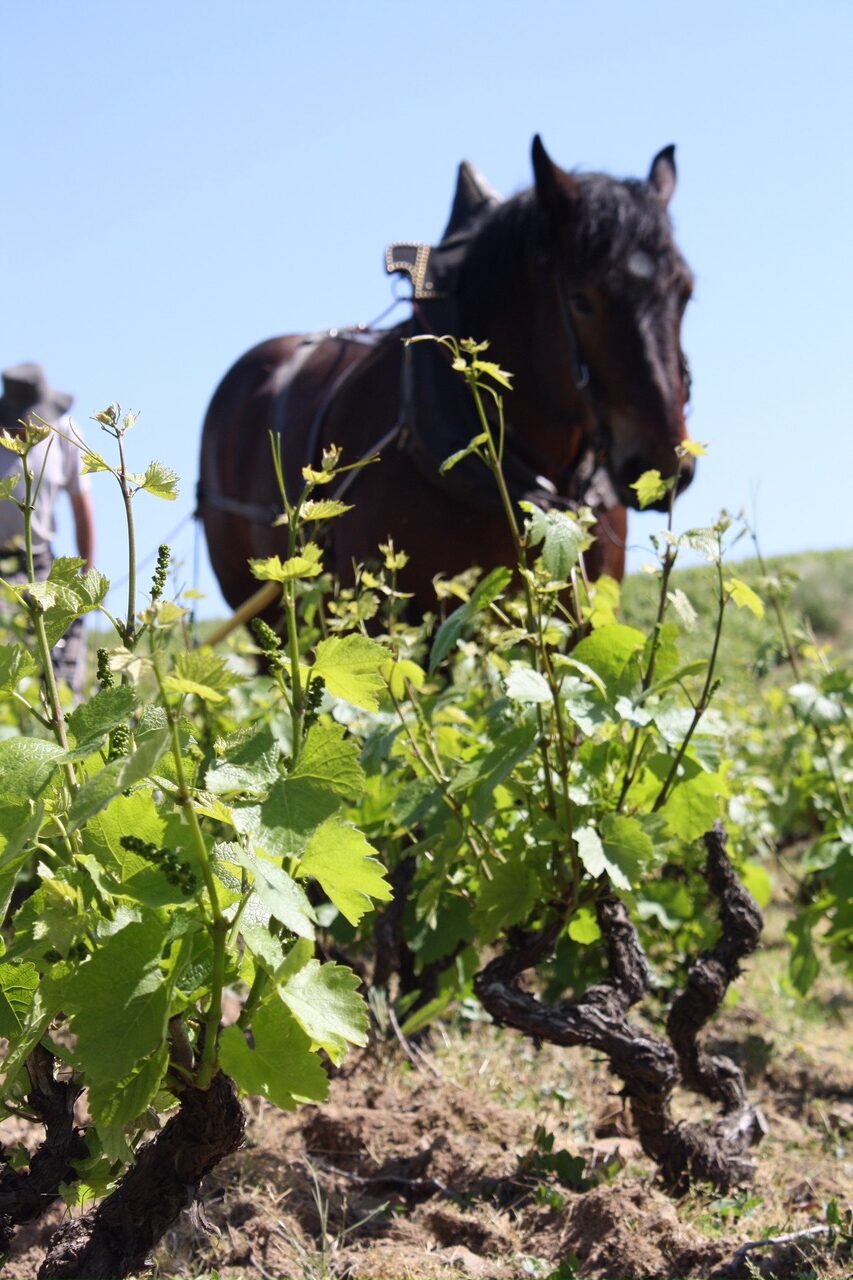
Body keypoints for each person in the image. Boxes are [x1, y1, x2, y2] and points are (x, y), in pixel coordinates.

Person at [0, 362, 95, 698]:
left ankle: (66, 722)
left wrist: (85, 577)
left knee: (60, 666)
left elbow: (82, 509)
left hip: (41, 561)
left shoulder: (65, 433)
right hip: (0, 569)